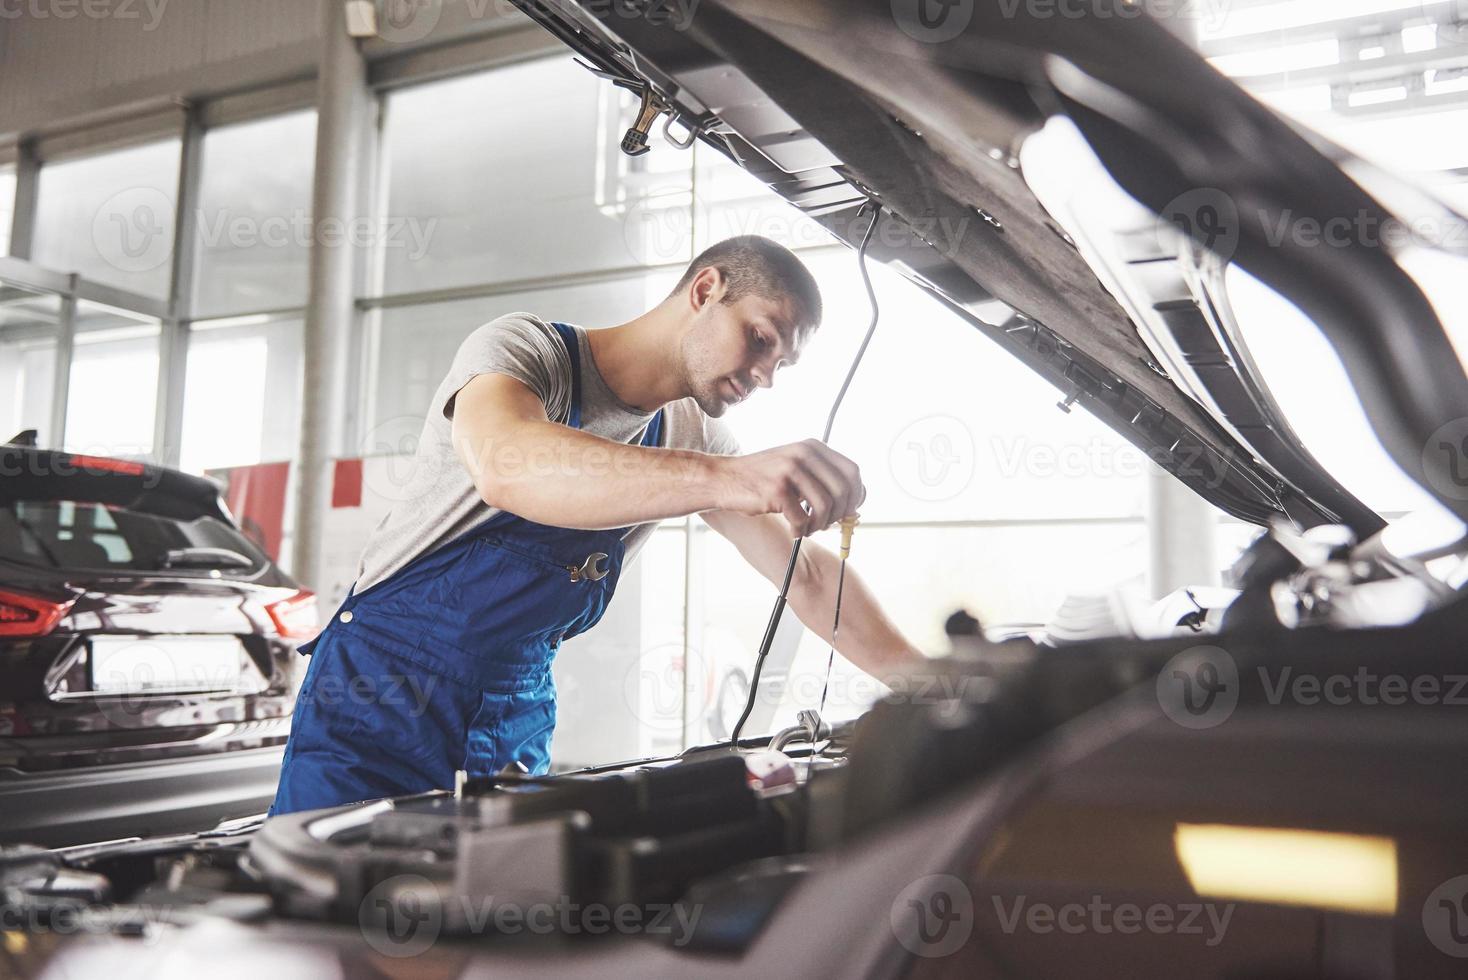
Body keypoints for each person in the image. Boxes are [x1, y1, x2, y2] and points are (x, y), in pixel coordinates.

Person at [269, 235, 928, 814]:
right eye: (761, 338)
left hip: (511, 714)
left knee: (499, 929)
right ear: (705, 289)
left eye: (781, 363)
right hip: (376, 700)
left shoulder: (690, 431)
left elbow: (807, 576)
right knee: (322, 929)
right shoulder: (528, 353)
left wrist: (940, 689)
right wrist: (731, 479)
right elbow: (507, 463)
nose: (764, 376)